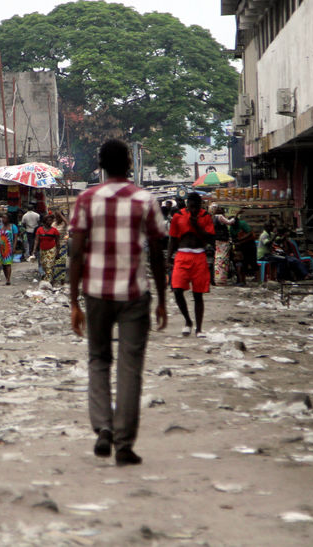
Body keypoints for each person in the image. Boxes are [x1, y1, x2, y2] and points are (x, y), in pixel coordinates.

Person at [69, 139, 167, 466]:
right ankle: (124, 443)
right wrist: (163, 299)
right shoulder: (145, 200)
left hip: (95, 292)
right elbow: (157, 254)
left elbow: (76, 252)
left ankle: (103, 429)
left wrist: (73, 301)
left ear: (100, 165)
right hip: (134, 294)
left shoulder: (85, 200)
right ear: (128, 162)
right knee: (130, 368)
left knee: (98, 360)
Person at [168, 192, 214, 337]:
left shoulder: (205, 216)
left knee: (198, 293)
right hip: (182, 255)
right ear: (188, 205)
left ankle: (199, 328)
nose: (194, 210)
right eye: (191, 206)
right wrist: (168, 257)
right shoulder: (178, 216)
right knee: (176, 290)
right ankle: (188, 321)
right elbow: (173, 238)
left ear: (200, 205)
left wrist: (197, 225)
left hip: (199, 255)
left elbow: (211, 238)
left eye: (196, 207)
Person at [209, 203, 235, 286]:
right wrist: (235, 217)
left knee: (218, 260)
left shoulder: (212, 218)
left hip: (216, 240)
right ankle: (221, 279)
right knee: (223, 260)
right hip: (223, 241)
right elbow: (229, 222)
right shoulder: (220, 217)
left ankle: (217, 279)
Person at [229, 210, 257, 285]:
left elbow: (250, 233)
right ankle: (241, 280)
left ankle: (258, 279)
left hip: (249, 245)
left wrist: (240, 239)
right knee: (242, 263)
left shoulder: (242, 224)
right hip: (241, 246)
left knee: (253, 262)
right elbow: (233, 238)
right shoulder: (231, 228)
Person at [33, 214, 60, 283]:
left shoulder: (54, 230)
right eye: (49, 220)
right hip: (42, 250)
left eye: (51, 220)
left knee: (49, 265)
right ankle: (51, 279)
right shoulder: (39, 230)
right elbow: (36, 240)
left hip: (51, 250)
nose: (50, 222)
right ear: (45, 221)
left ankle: (47, 281)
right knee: (44, 265)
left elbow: (57, 242)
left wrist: (58, 252)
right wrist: (34, 249)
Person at [0, 212, 19, 285]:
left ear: (9, 219)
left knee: (8, 263)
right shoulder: (0, 227)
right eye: (2, 218)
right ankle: (6, 277)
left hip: (9, 247)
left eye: (5, 218)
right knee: (3, 264)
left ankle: (8, 279)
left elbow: (15, 238)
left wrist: (14, 247)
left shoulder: (13, 227)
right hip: (1, 247)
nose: (3, 219)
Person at [51, 209, 69, 285]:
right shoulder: (53, 224)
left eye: (58, 217)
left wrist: (61, 215)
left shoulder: (63, 223)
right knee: (54, 263)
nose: (57, 218)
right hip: (54, 245)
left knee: (61, 263)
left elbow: (68, 223)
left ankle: (62, 280)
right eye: (56, 217)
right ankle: (54, 280)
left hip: (63, 245)